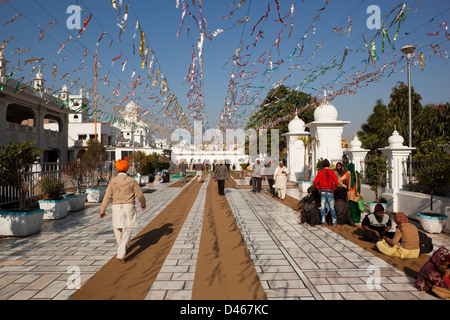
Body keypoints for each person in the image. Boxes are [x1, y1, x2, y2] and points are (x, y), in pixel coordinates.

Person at [100, 160, 146, 264]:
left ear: (117, 169)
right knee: (128, 229)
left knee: (117, 228)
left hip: (116, 207)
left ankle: (122, 248)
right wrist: (143, 203)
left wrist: (103, 210)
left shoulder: (113, 181)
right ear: (127, 169)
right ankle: (121, 252)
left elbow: (107, 196)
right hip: (129, 206)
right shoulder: (132, 180)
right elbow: (140, 195)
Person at [313, 159, 339, 227]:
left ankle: (323, 222)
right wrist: (333, 189)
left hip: (323, 191)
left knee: (323, 207)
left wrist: (319, 188)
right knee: (332, 207)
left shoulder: (320, 172)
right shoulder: (332, 172)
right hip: (330, 191)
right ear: (329, 165)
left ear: (323, 165)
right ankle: (334, 222)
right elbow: (336, 182)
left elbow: (315, 182)